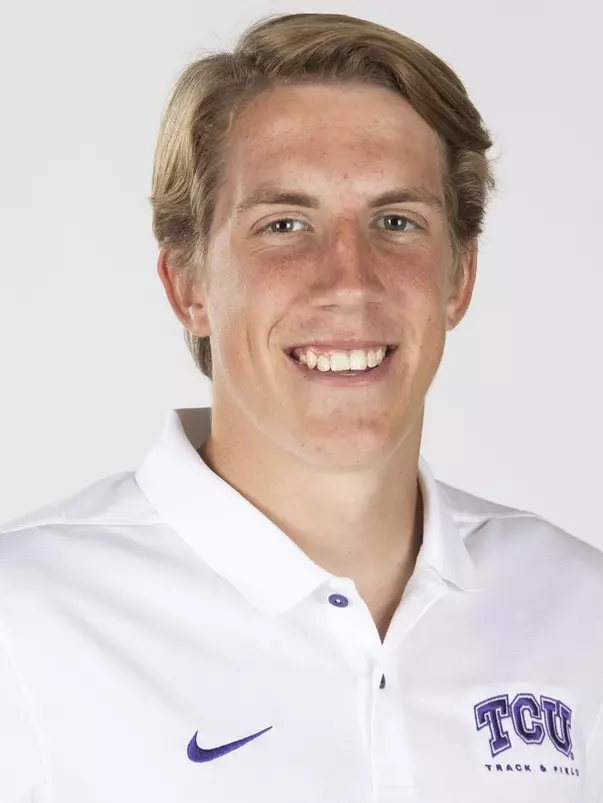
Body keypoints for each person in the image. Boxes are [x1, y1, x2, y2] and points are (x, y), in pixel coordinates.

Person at [1, 11, 601, 803]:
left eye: (396, 222)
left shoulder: (579, 612)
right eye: (284, 225)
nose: (347, 279)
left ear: (457, 279)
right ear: (188, 285)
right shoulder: (24, 626)